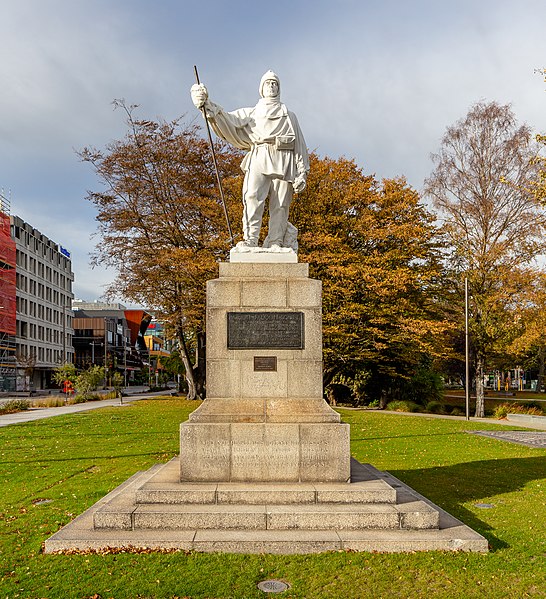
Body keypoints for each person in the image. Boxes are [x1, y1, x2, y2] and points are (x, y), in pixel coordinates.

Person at [191, 70, 309, 251]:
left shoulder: (290, 116)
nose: (272, 86)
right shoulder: (253, 113)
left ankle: (276, 241)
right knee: (252, 196)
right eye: (268, 83)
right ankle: (250, 240)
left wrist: (302, 173)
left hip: (283, 158)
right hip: (259, 155)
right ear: (261, 88)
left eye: (275, 83)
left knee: (281, 204)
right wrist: (206, 103)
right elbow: (227, 118)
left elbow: (299, 146)